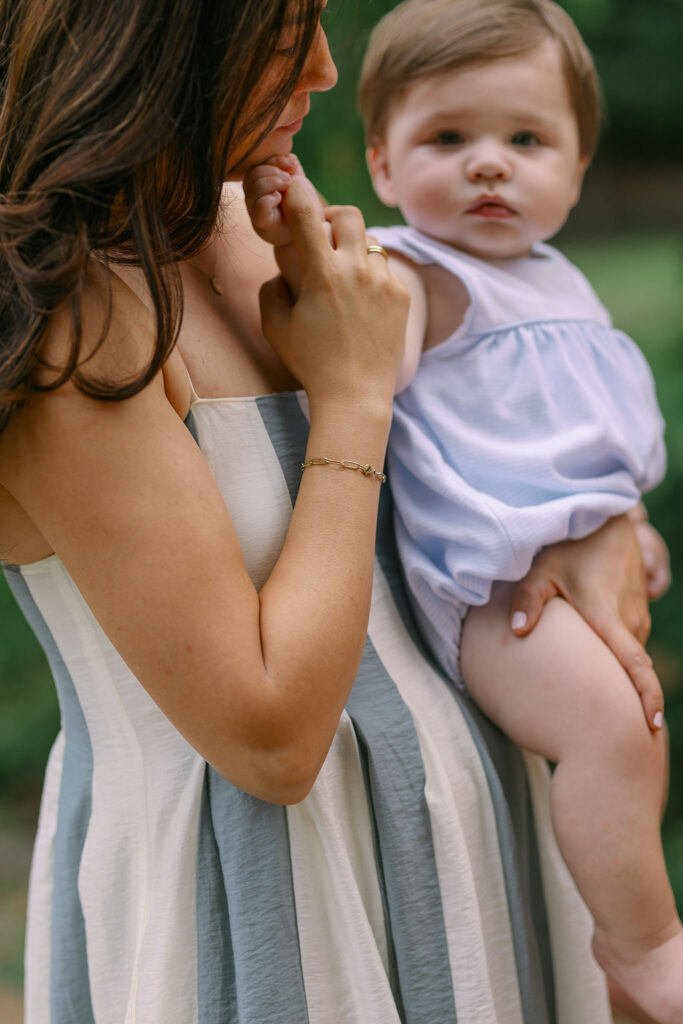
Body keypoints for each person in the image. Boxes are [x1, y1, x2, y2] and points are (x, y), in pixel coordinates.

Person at [0, 2, 667, 1023]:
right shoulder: (72, 319)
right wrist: (352, 396)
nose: (320, 67)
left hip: (471, 875)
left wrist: (596, 528)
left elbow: (476, 448)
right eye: (281, 33)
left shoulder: (265, 229)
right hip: (268, 913)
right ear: (165, 40)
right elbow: (269, 736)